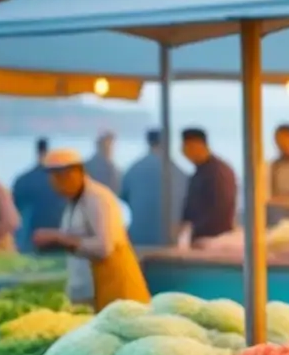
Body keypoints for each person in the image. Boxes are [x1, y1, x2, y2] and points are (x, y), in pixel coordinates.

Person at [34, 148, 150, 310]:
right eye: (53, 178)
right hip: (91, 288)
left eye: (60, 177)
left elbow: (104, 247)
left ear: (76, 173)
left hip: (114, 285)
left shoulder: (98, 198)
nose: (56, 184)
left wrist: (58, 238)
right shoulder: (74, 200)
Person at [121, 129, 188, 248]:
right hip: (170, 240)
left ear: (148, 142)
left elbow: (123, 197)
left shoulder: (133, 169)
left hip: (138, 240)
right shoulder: (180, 173)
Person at [180, 128, 238, 247]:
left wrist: (194, 231)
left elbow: (221, 207)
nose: (184, 152)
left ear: (198, 145)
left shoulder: (218, 172)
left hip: (215, 240)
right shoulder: (199, 172)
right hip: (199, 237)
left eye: (187, 147)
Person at [12, 138, 66, 251]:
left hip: (32, 239)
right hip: (58, 236)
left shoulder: (23, 180)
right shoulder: (61, 181)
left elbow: (15, 212)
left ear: (37, 152)